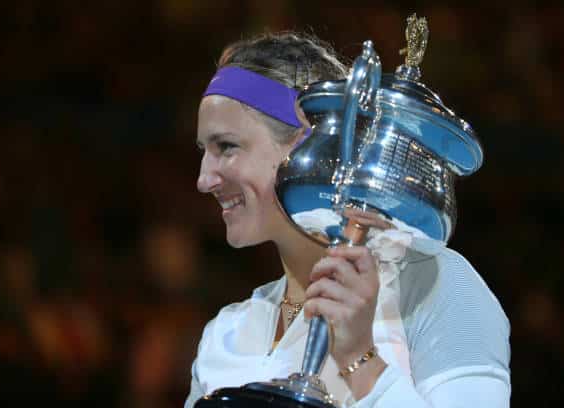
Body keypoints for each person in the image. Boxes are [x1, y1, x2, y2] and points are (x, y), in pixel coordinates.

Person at [186, 32, 510, 407]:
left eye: (226, 146)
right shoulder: (225, 332)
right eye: (203, 150)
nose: (203, 179)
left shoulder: (435, 285)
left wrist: (361, 359)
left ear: (309, 139)